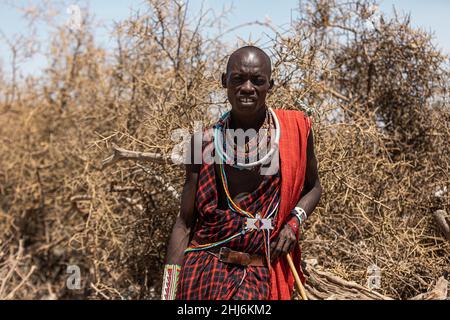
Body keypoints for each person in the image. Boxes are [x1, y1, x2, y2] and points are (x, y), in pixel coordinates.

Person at [161, 46, 322, 300]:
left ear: (271, 84)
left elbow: (314, 187)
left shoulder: (294, 131)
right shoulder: (199, 144)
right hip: (203, 274)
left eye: (257, 80)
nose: (247, 87)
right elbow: (184, 222)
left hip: (257, 273)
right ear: (224, 81)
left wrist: (293, 223)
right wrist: (168, 294)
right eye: (238, 79)